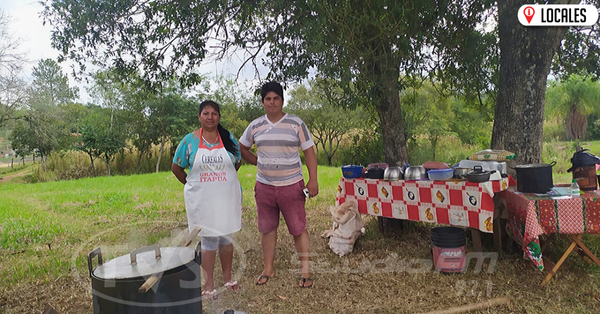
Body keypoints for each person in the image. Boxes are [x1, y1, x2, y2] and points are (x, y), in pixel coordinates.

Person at [239, 81, 319, 288]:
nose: (272, 102)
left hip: (292, 185)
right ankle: (268, 269)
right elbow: (242, 147)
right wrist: (257, 161)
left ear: (282, 100)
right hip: (264, 186)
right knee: (267, 229)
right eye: (268, 99)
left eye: (276, 98)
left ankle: (305, 272)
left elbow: (309, 151)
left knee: (298, 228)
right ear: (263, 102)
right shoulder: (255, 125)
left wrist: (313, 179)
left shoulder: (296, 124)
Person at [171, 100, 243, 298]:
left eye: (214, 113)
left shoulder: (228, 138)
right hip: (203, 200)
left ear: (219, 116)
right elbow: (176, 167)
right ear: (199, 116)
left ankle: (227, 278)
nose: (210, 117)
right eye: (205, 113)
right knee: (209, 239)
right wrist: (192, 184)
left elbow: (236, 162)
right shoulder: (189, 141)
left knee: (226, 236)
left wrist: (222, 180)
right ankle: (209, 284)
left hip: (225, 197)